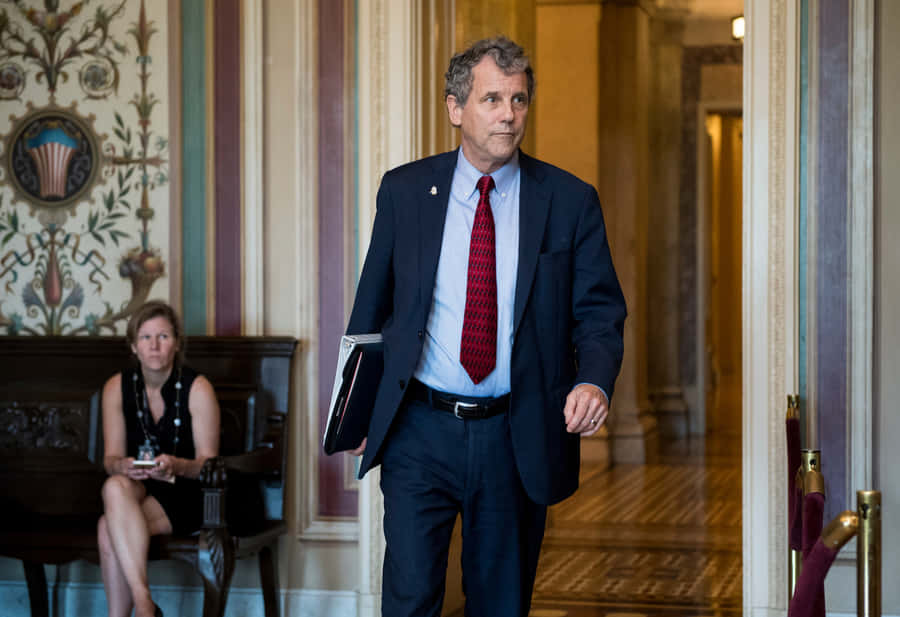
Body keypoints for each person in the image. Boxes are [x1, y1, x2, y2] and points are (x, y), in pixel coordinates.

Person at [346, 36, 627, 616]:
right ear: (455, 109)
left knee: (500, 603)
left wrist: (594, 382)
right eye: (492, 99)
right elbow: (371, 309)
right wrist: (357, 409)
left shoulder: (570, 201)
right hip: (417, 429)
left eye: (519, 100)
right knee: (409, 595)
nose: (508, 114)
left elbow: (598, 312)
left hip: (514, 432)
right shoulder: (404, 191)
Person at [97, 301, 220, 617]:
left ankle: (130, 612)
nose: (154, 345)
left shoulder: (198, 387)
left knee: (106, 526)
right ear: (134, 346)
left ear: (177, 343)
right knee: (114, 485)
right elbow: (110, 459)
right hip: (137, 487)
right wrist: (121, 465)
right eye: (146, 337)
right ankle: (144, 604)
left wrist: (177, 465)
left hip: (188, 492)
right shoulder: (116, 387)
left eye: (163, 336)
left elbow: (209, 465)